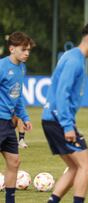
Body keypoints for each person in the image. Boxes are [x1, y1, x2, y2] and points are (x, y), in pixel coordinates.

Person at [41, 23, 88, 203]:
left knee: (74, 167)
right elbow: (62, 93)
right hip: (58, 120)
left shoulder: (73, 57)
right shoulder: (74, 60)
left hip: (52, 118)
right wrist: (67, 125)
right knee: (86, 166)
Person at [0, 31, 34, 203]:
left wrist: (25, 117)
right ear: (12, 49)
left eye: (28, 50)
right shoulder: (1, 67)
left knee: (14, 161)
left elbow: (18, 96)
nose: (27, 53)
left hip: (8, 123)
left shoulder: (21, 67)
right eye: (23, 49)